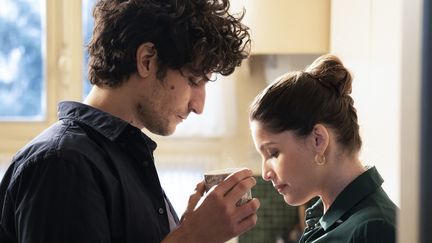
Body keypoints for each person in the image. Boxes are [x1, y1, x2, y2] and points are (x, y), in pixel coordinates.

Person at [0, 0, 260, 242]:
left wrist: (186, 230)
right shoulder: (62, 164)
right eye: (193, 80)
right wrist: (192, 237)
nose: (199, 106)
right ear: (147, 60)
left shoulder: (123, 157)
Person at [249, 54, 397, 243]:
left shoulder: (375, 229)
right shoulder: (323, 218)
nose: (265, 173)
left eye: (273, 153)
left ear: (318, 140)